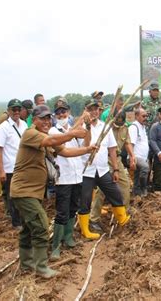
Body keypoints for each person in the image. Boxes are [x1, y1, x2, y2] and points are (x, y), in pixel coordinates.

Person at [10, 105, 94, 278]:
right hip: (23, 192)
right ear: (34, 120)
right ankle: (41, 267)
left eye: (49, 118)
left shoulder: (46, 137)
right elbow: (51, 142)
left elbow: (66, 151)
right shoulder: (30, 133)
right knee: (41, 226)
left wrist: (87, 149)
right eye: (43, 118)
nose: (47, 122)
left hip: (34, 193)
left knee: (27, 228)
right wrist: (72, 134)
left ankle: (26, 264)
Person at [78, 99, 131, 240]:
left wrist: (115, 169)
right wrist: (88, 127)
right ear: (85, 111)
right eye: (90, 109)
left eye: (96, 109)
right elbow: (86, 144)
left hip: (102, 169)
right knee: (86, 200)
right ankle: (85, 229)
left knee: (115, 193)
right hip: (87, 170)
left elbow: (112, 149)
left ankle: (123, 220)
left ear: (100, 111)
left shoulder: (105, 127)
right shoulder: (81, 127)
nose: (93, 112)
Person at [48, 101, 88, 260]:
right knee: (62, 211)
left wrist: (86, 126)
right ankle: (55, 246)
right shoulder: (53, 130)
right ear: (55, 115)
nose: (61, 115)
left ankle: (68, 237)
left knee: (73, 208)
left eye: (64, 112)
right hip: (63, 179)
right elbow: (64, 140)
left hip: (77, 176)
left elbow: (83, 143)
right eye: (58, 113)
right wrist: (79, 122)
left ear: (68, 112)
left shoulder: (74, 130)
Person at [90, 110, 135, 231]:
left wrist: (132, 156)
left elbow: (127, 142)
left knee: (125, 184)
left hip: (117, 159)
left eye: (121, 123)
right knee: (101, 190)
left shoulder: (125, 127)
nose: (118, 125)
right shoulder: (106, 128)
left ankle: (123, 211)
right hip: (104, 159)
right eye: (117, 123)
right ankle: (94, 218)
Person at [0, 99, 28, 227]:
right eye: (13, 109)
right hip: (10, 168)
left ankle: (23, 218)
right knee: (12, 195)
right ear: (8, 111)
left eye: (18, 109)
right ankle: (16, 221)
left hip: (24, 166)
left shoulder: (24, 125)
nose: (16, 112)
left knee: (24, 193)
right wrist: (1, 170)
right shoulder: (3, 127)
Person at [129, 108, 150, 197]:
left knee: (137, 176)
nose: (145, 118)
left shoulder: (143, 127)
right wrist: (132, 158)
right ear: (137, 116)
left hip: (142, 157)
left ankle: (136, 194)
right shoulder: (134, 127)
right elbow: (130, 144)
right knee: (145, 168)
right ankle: (143, 188)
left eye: (146, 116)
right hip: (136, 156)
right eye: (143, 116)